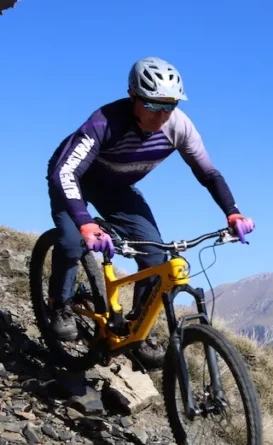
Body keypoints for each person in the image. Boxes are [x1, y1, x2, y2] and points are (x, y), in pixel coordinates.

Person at [45, 56, 254, 342]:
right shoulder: (105, 122)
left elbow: (208, 173)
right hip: (75, 181)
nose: (162, 114)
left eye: (169, 105)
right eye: (153, 104)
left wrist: (232, 212)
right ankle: (59, 306)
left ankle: (138, 328)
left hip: (116, 188)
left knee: (156, 257)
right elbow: (64, 173)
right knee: (71, 241)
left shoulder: (179, 127)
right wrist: (84, 223)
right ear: (132, 95)